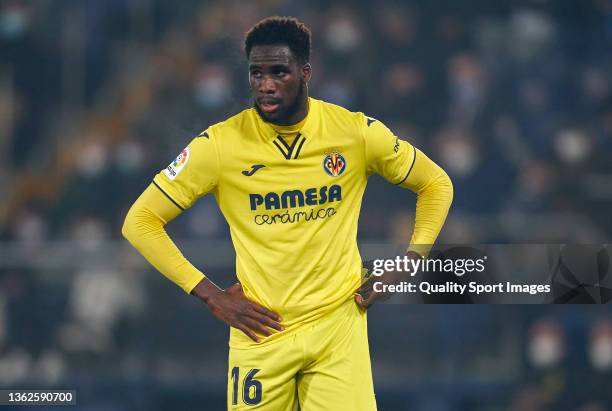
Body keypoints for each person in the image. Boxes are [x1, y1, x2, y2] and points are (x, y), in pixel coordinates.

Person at [122, 16, 453, 411]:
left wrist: (411, 260)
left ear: (305, 72)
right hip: (261, 330)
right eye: (256, 73)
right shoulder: (219, 145)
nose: (265, 84)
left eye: (278, 71)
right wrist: (210, 295)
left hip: (337, 326)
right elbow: (139, 221)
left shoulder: (353, 133)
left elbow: (436, 184)